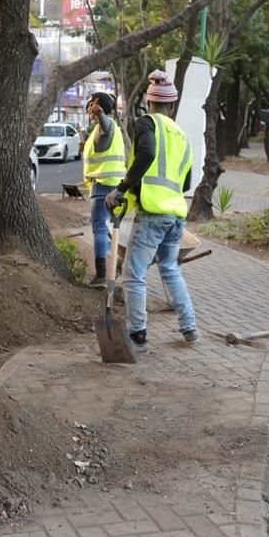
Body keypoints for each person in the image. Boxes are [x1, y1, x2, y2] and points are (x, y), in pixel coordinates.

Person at [104, 70, 197, 353]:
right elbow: (187, 182)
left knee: (133, 274)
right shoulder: (182, 135)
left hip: (153, 214)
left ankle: (137, 337)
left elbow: (146, 154)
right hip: (176, 215)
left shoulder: (145, 123)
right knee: (170, 268)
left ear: (149, 101)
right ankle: (189, 325)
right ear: (172, 104)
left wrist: (120, 189)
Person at [83, 91, 128, 287]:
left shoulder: (107, 125)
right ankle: (114, 263)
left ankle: (102, 275)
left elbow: (106, 127)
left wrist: (100, 114)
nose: (89, 110)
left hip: (103, 185)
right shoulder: (114, 129)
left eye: (91, 105)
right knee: (107, 228)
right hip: (116, 184)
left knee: (99, 228)